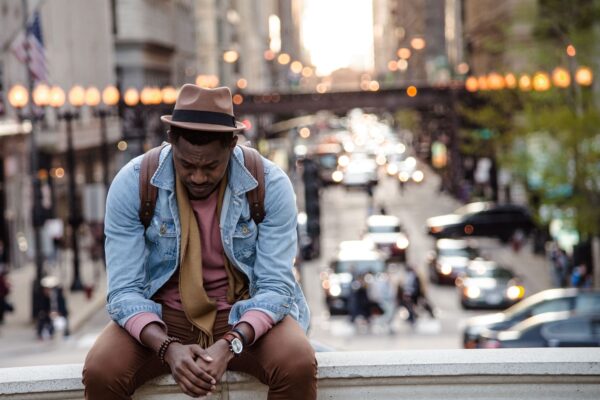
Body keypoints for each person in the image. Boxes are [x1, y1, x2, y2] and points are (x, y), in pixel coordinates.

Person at [83, 84, 316, 400]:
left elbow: (275, 287)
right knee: (102, 371)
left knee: (297, 362)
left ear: (232, 145)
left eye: (210, 167)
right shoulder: (133, 182)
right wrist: (167, 348)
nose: (198, 177)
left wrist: (231, 343)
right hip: (162, 317)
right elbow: (124, 291)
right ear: (171, 141)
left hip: (243, 313)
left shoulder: (269, 184)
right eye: (187, 165)